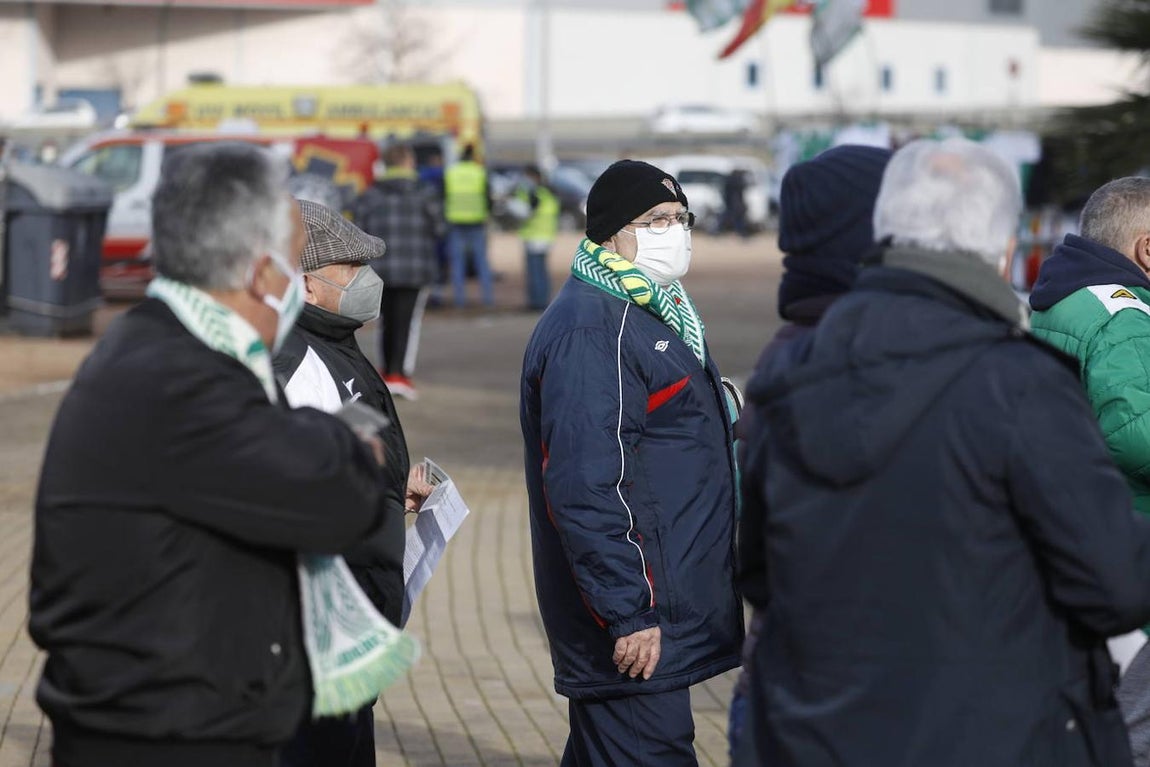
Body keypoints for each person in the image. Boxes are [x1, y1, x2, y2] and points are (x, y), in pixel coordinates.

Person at [734, 138, 1150, 767]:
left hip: (819, 732)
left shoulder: (786, 372)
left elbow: (758, 570)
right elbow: (1115, 582)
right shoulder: (1022, 382)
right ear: (1002, 248)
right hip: (989, 732)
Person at [28, 143, 386, 767]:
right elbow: (334, 497)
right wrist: (350, 445)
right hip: (159, 737)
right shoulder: (179, 379)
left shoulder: (169, 348)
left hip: (176, 718)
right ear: (258, 270)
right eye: (291, 256)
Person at [520, 160, 744, 767]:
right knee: (650, 750)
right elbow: (586, 484)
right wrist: (626, 612)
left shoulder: (653, 308)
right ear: (610, 234)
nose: (674, 232)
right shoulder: (596, 328)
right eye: (655, 220)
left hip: (663, 601)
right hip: (637, 618)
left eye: (680, 219)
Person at [727, 144, 891, 755]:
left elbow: (757, 563)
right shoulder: (846, 357)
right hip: (844, 687)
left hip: (786, 676)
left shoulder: (790, 350)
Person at [275, 200, 432, 767]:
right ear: (307, 284)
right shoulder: (292, 360)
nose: (370, 281)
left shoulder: (333, 343)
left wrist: (393, 495)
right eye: (351, 269)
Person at [1029, 177, 1150, 766]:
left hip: (1079, 539)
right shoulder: (1124, 316)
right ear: (1147, 250)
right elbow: (1134, 435)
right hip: (1131, 537)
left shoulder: (1069, 300)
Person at [353, 143, 445, 401]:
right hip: (416, 267)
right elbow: (440, 228)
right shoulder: (425, 193)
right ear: (407, 161)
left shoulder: (371, 194)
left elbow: (358, 229)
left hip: (380, 268)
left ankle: (385, 373)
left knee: (385, 322)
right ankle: (400, 375)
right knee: (408, 323)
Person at [444, 143, 493, 308]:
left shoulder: (451, 172)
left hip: (455, 221)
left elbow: (444, 196)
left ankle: (460, 301)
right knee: (481, 262)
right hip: (476, 221)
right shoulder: (479, 172)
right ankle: (487, 300)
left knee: (458, 263)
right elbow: (488, 197)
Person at [516, 164, 560, 311]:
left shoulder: (534, 194)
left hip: (534, 236)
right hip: (546, 236)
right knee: (541, 271)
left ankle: (537, 303)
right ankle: (543, 300)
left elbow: (527, 213)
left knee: (535, 272)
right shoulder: (548, 193)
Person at [721, 168, 749, 238]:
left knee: (730, 219)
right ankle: (742, 233)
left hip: (732, 204)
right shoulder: (737, 182)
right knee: (737, 220)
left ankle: (742, 233)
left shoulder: (730, 181)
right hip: (735, 204)